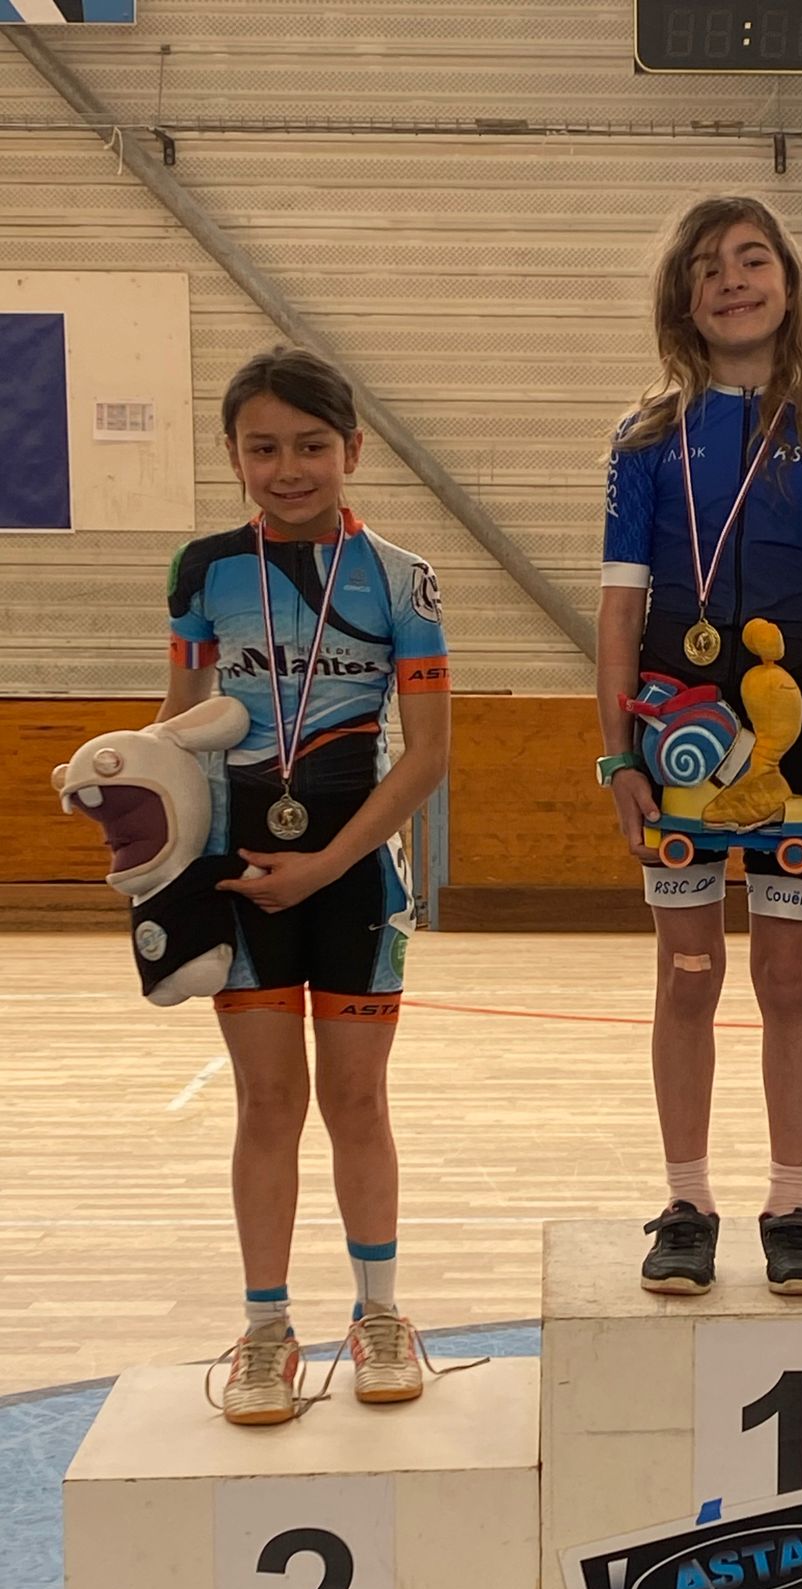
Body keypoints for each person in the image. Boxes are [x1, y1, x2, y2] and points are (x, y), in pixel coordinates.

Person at [596, 194, 802, 1297]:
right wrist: (616, 756)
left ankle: (791, 1203)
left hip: (792, 720)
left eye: (753, 258)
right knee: (687, 971)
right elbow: (618, 612)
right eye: (708, 266)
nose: (732, 280)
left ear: (788, 282)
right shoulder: (642, 442)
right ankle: (687, 1201)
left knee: (787, 973)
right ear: (682, 297)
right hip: (672, 710)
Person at [161, 346, 451, 1424]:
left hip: (355, 875)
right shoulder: (203, 571)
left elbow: (427, 754)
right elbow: (179, 726)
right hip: (241, 876)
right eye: (264, 447)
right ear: (233, 454)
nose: (288, 468)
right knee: (268, 1103)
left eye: (312, 445)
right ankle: (267, 1328)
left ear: (353, 450)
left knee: (358, 1101)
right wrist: (137, 807)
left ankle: (380, 1314)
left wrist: (328, 864)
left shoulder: (403, 577)